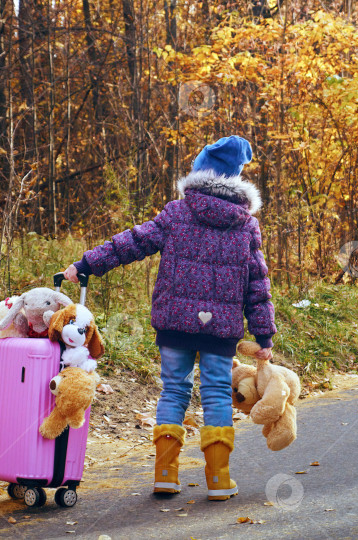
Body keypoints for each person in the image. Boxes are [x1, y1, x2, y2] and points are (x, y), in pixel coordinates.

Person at [62, 135, 276, 501]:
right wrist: (263, 335)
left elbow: (133, 241)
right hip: (220, 328)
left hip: (175, 323)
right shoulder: (246, 225)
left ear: (199, 172)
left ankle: (165, 474)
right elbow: (258, 282)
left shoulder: (178, 212)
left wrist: (86, 264)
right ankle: (219, 479)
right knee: (216, 395)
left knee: (174, 390)